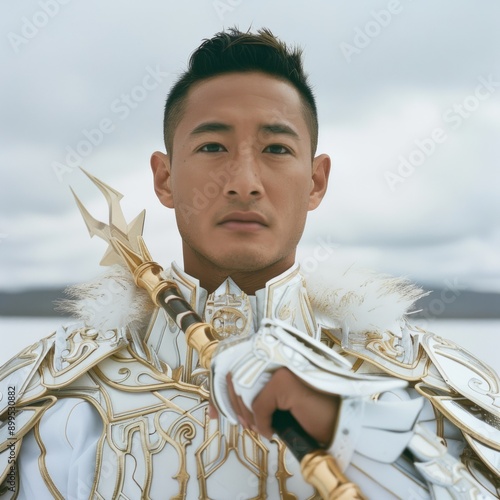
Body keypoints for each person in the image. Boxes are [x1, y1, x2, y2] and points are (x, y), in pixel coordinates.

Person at [1, 27, 498, 499]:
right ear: (165, 178)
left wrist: (350, 430)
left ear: (316, 181)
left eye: (277, 148)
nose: (243, 180)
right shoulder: (51, 399)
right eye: (212, 146)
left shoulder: (421, 392)